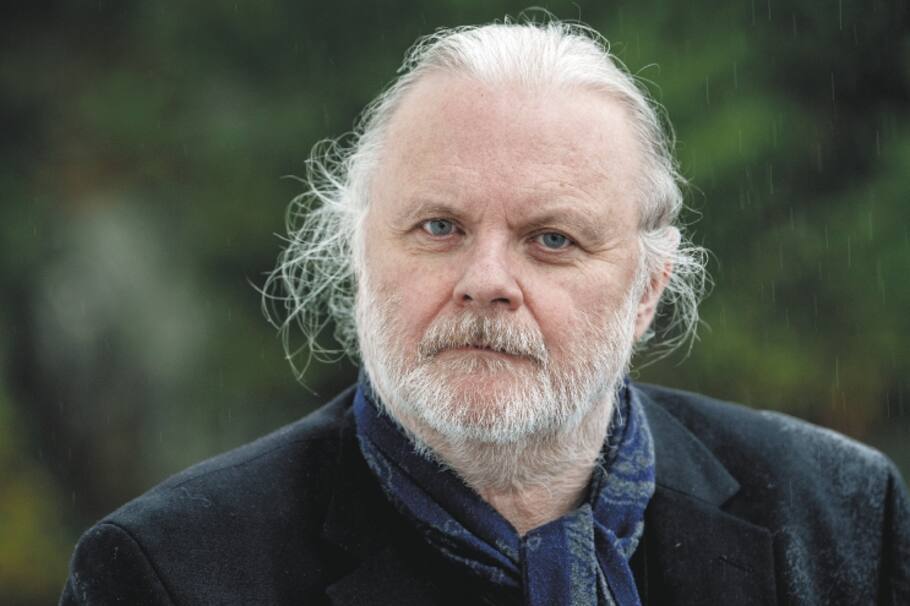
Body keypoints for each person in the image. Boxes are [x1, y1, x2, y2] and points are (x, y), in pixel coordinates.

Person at [60, 18, 909, 606]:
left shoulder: (837, 516)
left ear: (647, 291)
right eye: (439, 227)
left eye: (551, 239)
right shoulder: (168, 571)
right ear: (359, 256)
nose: (486, 279)